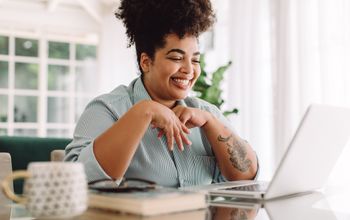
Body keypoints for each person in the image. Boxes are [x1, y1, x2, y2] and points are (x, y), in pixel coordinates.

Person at [65, 0, 258, 187]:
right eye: (176, 58)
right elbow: (76, 182)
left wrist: (211, 123)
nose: (189, 70)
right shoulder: (107, 109)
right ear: (146, 62)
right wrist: (144, 112)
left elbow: (247, 176)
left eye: (195, 60)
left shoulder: (205, 113)